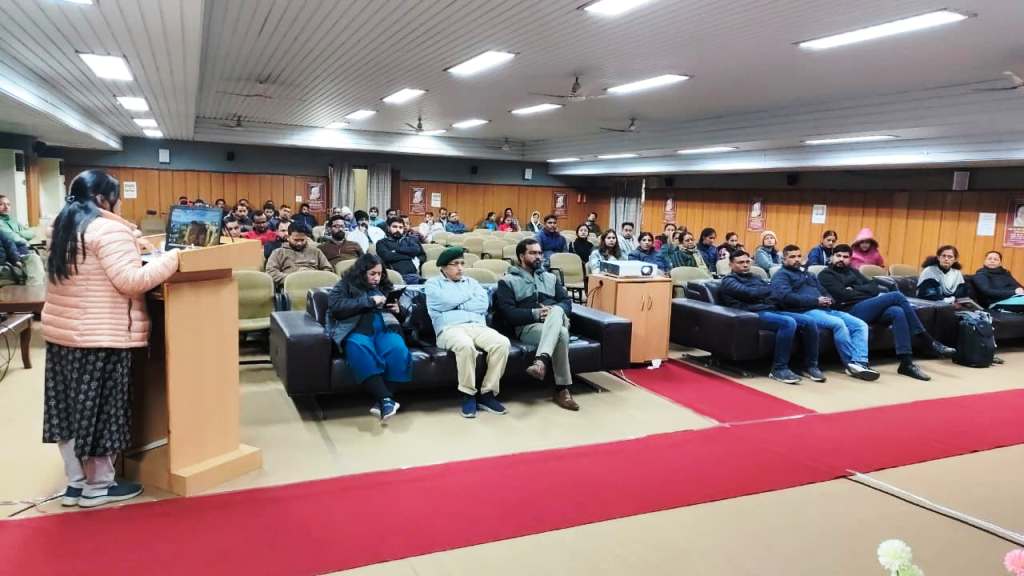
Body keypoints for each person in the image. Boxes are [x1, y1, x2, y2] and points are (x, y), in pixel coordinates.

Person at [42, 170, 181, 508]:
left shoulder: (62, 225)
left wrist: (132, 239)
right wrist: (174, 258)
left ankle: (76, 483)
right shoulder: (108, 230)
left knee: (69, 411)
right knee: (103, 411)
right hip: (101, 337)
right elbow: (131, 281)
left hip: (63, 336)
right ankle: (99, 486)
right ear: (103, 199)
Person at [819, 244, 955, 381]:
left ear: (850, 259)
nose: (841, 259)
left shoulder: (853, 272)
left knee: (897, 312)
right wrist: (860, 290)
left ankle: (906, 363)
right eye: (838, 256)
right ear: (832, 257)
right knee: (896, 296)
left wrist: (853, 289)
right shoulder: (826, 275)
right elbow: (843, 295)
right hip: (848, 311)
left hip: (867, 306)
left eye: (845, 257)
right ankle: (927, 340)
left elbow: (874, 288)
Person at [771, 244, 879, 381]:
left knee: (860, 324)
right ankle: (851, 364)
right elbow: (786, 298)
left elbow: (823, 291)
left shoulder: (808, 274)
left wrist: (829, 299)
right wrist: (816, 301)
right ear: (784, 259)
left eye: (799, 256)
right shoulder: (781, 276)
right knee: (838, 324)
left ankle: (860, 362)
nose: (797, 259)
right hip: (805, 311)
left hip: (826, 309)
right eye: (792, 257)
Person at [495, 238, 580, 411]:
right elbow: (509, 314)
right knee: (562, 334)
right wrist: (535, 313)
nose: (538, 256)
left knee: (557, 310)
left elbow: (566, 303)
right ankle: (562, 389)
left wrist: (554, 311)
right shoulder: (508, 281)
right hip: (530, 327)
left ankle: (540, 362)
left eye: (540, 253)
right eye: (533, 253)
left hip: (557, 319)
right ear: (521, 256)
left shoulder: (551, 278)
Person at [425, 247, 511, 418]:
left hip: (478, 326)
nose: (460, 268)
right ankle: (468, 394)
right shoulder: (432, 284)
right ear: (443, 267)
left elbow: (482, 305)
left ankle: (487, 393)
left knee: (502, 343)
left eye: (462, 263)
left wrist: (455, 304)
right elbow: (443, 302)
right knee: (465, 346)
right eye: (455, 264)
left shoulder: (472, 282)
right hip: (449, 329)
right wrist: (467, 297)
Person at [326, 254, 410, 421]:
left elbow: (403, 315)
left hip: (385, 328)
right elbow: (336, 307)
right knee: (358, 347)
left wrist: (398, 310)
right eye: (372, 274)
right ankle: (385, 398)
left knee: (398, 350)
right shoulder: (345, 284)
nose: (377, 278)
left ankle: (384, 400)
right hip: (356, 328)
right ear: (361, 272)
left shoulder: (385, 286)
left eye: (380, 274)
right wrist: (370, 301)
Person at [720, 250, 823, 384]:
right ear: (731, 265)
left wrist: (765, 293)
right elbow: (750, 293)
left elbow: (773, 295)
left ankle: (810, 365)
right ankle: (779, 369)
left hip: (769, 310)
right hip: (750, 314)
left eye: (747, 262)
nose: (745, 265)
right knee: (788, 322)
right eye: (740, 262)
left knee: (809, 321)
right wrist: (767, 291)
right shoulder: (728, 281)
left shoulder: (755, 277)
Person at [265, 222, 333, 288]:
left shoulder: (316, 251)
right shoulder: (278, 252)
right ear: (288, 237)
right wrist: (294, 277)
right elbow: (271, 272)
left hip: (315, 286)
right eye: (296, 240)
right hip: (291, 287)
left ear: (307, 238)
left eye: (302, 240)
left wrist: (313, 276)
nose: (299, 243)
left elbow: (328, 270)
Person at [376, 217, 426, 284]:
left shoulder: (409, 240)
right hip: (394, 276)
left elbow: (417, 251)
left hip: (414, 275)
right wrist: (410, 256)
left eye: (400, 227)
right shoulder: (382, 242)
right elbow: (387, 256)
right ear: (388, 228)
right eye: (394, 227)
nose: (398, 229)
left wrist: (396, 251)